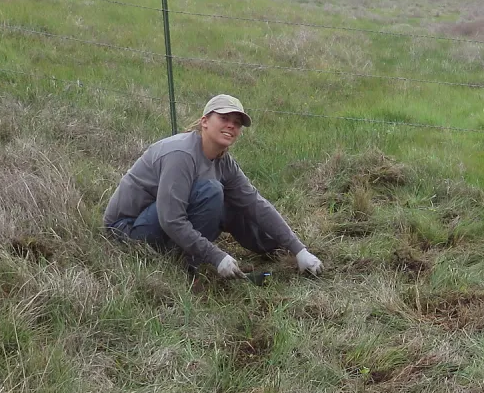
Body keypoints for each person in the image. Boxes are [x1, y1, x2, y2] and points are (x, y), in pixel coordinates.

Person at [104, 94, 322, 279]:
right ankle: (180, 265)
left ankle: (274, 248)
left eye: (237, 123)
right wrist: (216, 256)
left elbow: (254, 203)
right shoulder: (181, 155)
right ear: (205, 121)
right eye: (224, 118)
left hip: (157, 220)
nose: (231, 126)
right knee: (212, 191)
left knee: (230, 200)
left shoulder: (223, 161)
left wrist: (298, 250)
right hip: (127, 230)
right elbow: (170, 219)